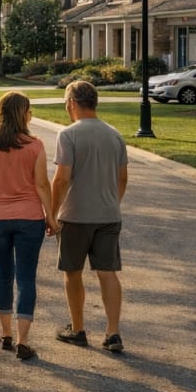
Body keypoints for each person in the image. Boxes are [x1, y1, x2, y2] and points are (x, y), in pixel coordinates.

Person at [0, 91, 59, 361]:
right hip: (29, 218)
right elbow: (42, 184)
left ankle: (6, 333)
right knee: (25, 278)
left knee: (3, 275)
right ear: (24, 114)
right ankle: (23, 340)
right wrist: (51, 216)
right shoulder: (35, 145)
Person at [51, 80, 129, 353]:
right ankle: (113, 333)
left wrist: (51, 213)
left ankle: (78, 328)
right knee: (108, 273)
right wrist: (110, 203)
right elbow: (122, 178)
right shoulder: (115, 135)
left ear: (72, 103)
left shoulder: (68, 135)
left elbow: (61, 180)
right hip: (108, 214)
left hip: (75, 215)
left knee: (73, 272)